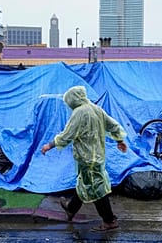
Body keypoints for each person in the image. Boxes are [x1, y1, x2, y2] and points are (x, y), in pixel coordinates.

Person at [41, 86, 128, 231]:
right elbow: (112, 125)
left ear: (72, 100)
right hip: (97, 156)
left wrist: (50, 145)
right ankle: (71, 208)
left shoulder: (79, 112)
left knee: (96, 189)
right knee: (86, 183)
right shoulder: (96, 109)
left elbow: (68, 134)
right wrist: (119, 139)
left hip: (87, 158)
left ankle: (109, 220)